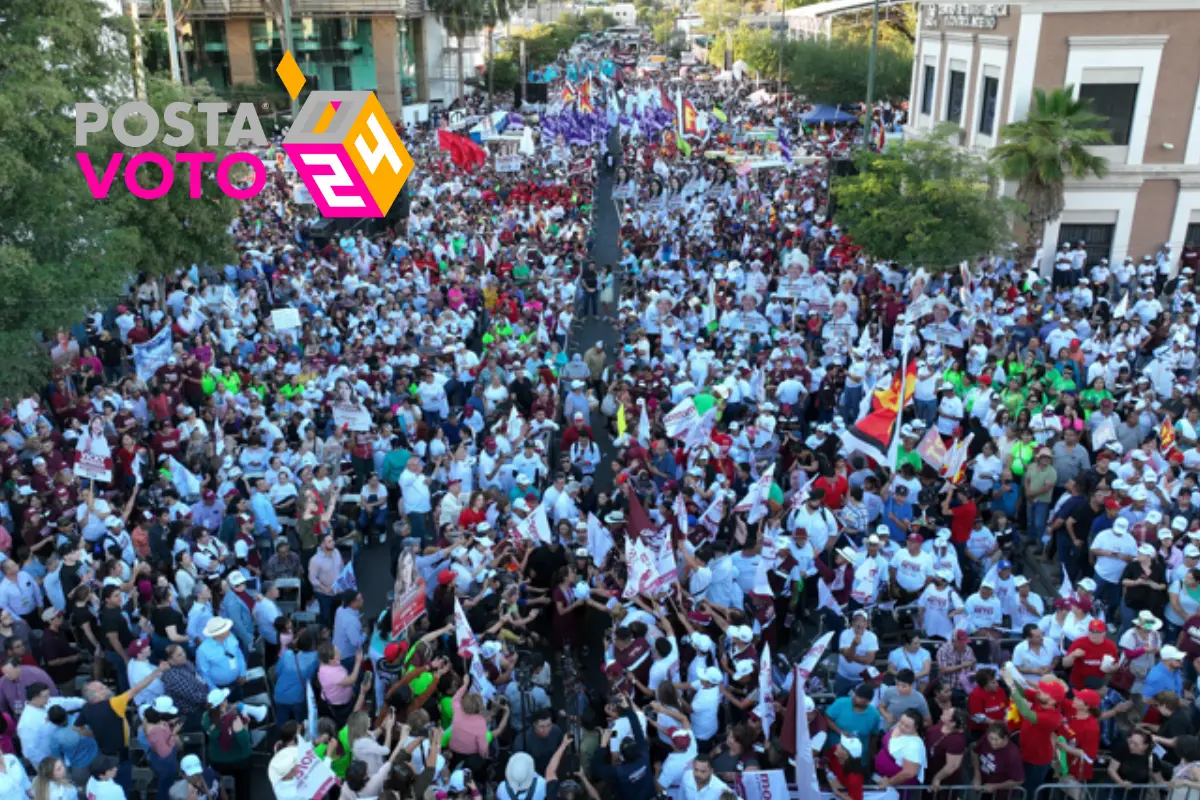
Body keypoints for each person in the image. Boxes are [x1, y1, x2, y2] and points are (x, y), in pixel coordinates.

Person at [971, 722, 1024, 800]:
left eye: (996, 739)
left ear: (1005, 738)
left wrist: (995, 786)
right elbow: (975, 752)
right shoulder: (986, 738)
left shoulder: (1012, 755)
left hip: (1001, 794)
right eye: (990, 738)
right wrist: (977, 775)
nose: (992, 742)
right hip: (984, 786)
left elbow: (1019, 780)